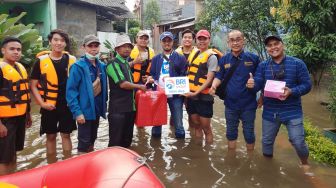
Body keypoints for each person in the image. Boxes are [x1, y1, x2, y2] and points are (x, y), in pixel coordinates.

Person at [246, 35, 312, 166]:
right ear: (267, 49)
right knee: (266, 142)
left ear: (283, 45)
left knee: (298, 141)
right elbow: (258, 83)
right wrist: (252, 85)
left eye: (276, 44)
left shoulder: (298, 63)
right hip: (270, 111)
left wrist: (291, 91)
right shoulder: (263, 66)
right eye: (270, 45)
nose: (273, 47)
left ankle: (305, 164)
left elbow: (307, 85)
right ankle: (268, 166)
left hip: (292, 110)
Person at [30, 29, 76, 163]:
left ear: (65, 44)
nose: (59, 43)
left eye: (62, 40)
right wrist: (42, 104)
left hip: (67, 104)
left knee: (66, 135)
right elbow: (33, 85)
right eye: (56, 40)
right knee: (50, 136)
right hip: (48, 104)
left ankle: (68, 162)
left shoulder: (71, 60)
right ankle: (51, 163)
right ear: (50, 41)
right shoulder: (40, 61)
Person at [210, 30, 260, 150]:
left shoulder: (253, 59)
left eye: (238, 39)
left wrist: (255, 83)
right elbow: (218, 76)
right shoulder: (224, 59)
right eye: (232, 40)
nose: (235, 43)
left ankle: (250, 159)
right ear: (228, 43)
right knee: (231, 133)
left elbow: (261, 78)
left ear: (243, 41)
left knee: (249, 133)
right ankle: (231, 158)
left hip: (248, 105)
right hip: (230, 104)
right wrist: (213, 86)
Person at [66, 34, 108, 154]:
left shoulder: (101, 66)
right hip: (84, 111)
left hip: (97, 110)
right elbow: (71, 92)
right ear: (84, 47)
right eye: (90, 46)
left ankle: (90, 161)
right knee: (83, 142)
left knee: (93, 138)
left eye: (96, 46)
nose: (94, 49)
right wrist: (77, 113)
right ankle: (82, 164)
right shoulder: (77, 67)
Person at [106, 34, 146, 147]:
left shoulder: (125, 63)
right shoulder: (112, 63)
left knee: (127, 141)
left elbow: (127, 66)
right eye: (123, 46)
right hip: (118, 110)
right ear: (117, 49)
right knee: (115, 142)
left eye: (129, 46)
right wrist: (140, 86)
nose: (127, 49)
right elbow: (123, 84)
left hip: (129, 109)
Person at [0, 37, 32, 175]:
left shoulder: (19, 68)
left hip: (20, 117)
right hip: (5, 120)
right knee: (4, 158)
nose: (16, 52)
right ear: (3, 50)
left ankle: (13, 180)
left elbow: (23, 94)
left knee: (13, 154)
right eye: (12, 49)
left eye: (18, 49)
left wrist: (28, 114)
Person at [147, 31, 188, 138]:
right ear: (161, 42)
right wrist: (151, 79)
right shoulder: (156, 59)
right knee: (156, 124)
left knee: (178, 124)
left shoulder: (181, 58)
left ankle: (180, 149)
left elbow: (184, 75)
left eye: (169, 40)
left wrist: (180, 89)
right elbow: (152, 74)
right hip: (159, 95)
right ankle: (156, 148)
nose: (167, 43)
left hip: (175, 95)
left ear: (172, 42)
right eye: (164, 41)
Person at [184, 30, 218, 144]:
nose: (202, 41)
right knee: (196, 125)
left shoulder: (212, 57)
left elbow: (209, 80)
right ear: (196, 40)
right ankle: (198, 151)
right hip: (191, 96)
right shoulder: (194, 53)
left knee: (206, 128)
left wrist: (195, 93)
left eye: (205, 39)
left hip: (204, 97)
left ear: (209, 40)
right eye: (200, 39)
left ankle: (207, 155)